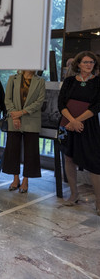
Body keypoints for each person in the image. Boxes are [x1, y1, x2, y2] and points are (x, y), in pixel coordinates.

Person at [58, 51, 100, 215]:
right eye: (86, 62)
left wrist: (78, 121)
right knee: (68, 158)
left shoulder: (98, 82)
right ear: (78, 64)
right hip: (66, 125)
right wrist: (72, 121)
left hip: (88, 126)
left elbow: (97, 106)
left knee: (94, 162)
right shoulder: (69, 81)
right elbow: (61, 103)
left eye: (92, 62)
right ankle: (74, 194)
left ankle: (98, 201)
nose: (89, 65)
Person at [2, 70, 45, 193]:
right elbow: (8, 99)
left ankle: (25, 180)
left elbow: (39, 102)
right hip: (14, 119)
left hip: (31, 120)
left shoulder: (40, 81)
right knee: (12, 149)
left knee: (31, 151)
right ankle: (15, 179)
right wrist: (15, 116)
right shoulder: (12, 79)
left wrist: (21, 113)